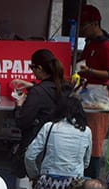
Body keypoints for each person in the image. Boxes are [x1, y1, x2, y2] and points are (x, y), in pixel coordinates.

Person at [24, 95, 92, 189]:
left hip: (47, 182)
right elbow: (86, 162)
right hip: (74, 185)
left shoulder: (49, 127)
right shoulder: (86, 131)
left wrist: (34, 174)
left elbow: (30, 155)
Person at [76, 3, 109, 177]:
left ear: (94, 23)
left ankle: (93, 177)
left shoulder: (106, 46)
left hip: (98, 97)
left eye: (84, 26)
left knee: (95, 143)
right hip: (85, 93)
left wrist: (90, 72)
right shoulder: (90, 43)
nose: (82, 31)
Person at [12, 49, 65, 180]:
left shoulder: (37, 93)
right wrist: (31, 86)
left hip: (37, 149)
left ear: (39, 68)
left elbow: (22, 122)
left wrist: (19, 105)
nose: (32, 71)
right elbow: (49, 92)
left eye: (32, 67)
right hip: (60, 150)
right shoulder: (65, 88)